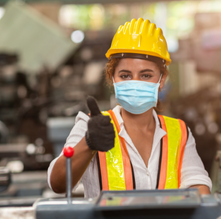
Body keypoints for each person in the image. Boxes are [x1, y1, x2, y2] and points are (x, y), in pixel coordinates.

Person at [48, 18, 212, 198]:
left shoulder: (179, 132)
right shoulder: (92, 126)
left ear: (161, 79)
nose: (135, 83)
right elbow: (58, 184)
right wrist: (88, 144)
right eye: (125, 75)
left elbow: (199, 187)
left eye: (146, 75)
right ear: (112, 78)